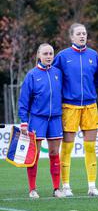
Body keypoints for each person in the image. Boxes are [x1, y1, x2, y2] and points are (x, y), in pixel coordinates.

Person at [53, 23, 98, 197]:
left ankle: (92, 186)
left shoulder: (93, 55)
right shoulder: (62, 56)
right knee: (67, 148)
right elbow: (55, 78)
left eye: (84, 33)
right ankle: (66, 186)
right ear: (72, 37)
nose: (82, 36)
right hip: (69, 106)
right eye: (79, 34)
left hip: (90, 106)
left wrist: (87, 90)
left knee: (90, 147)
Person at [18, 44, 64, 198]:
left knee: (54, 153)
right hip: (37, 119)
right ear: (39, 55)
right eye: (45, 53)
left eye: (51, 53)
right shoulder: (32, 75)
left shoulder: (58, 73)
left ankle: (57, 188)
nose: (49, 56)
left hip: (56, 119)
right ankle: (32, 189)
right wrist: (24, 121)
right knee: (34, 155)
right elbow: (24, 101)